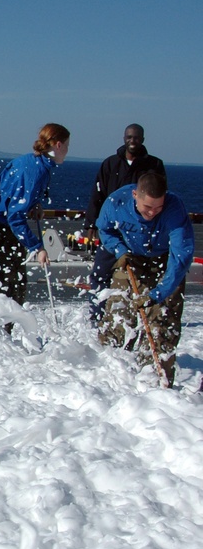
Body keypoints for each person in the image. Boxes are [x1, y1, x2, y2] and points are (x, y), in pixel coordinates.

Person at [96, 171, 193, 385]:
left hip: (165, 259)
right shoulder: (116, 203)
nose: (152, 213)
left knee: (162, 320)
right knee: (118, 313)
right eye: (147, 207)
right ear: (134, 195)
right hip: (131, 257)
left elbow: (181, 257)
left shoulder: (174, 209)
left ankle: (155, 380)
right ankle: (108, 375)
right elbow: (104, 230)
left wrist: (158, 294)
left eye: (158, 208)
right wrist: (119, 250)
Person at [0, 123, 70, 305]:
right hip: (0, 234)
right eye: (67, 146)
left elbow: (14, 195)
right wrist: (37, 247)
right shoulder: (36, 171)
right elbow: (14, 216)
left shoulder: (30, 161)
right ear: (58, 145)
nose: (67, 151)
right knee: (9, 296)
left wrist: (33, 204)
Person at [84, 124, 166, 323]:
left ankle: (137, 317)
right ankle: (97, 315)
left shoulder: (153, 165)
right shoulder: (111, 164)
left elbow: (159, 198)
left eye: (136, 138)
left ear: (143, 140)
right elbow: (98, 194)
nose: (132, 141)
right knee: (100, 273)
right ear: (124, 138)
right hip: (113, 230)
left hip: (140, 231)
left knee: (138, 276)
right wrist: (91, 224)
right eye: (129, 137)